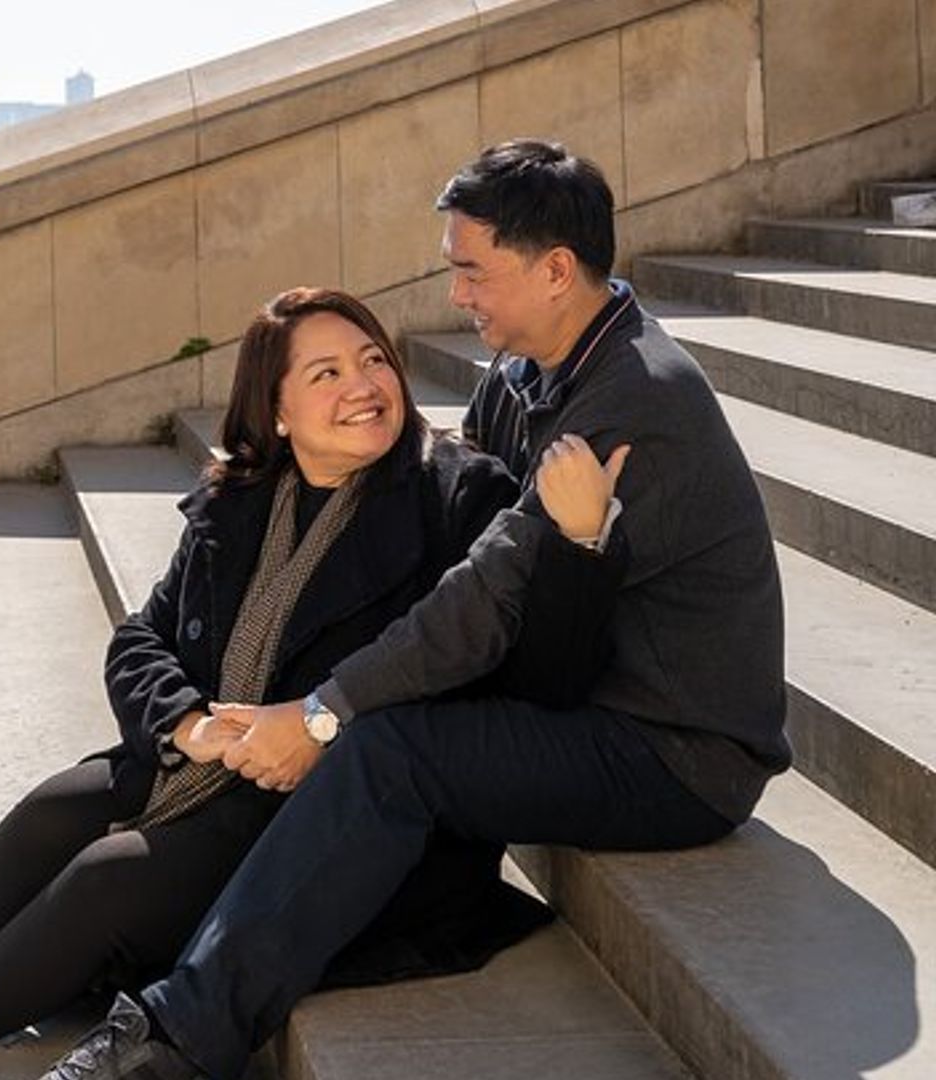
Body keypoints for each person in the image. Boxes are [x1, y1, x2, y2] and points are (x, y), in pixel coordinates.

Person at [42, 140, 789, 1080]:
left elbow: (486, 594)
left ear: (556, 270)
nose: (458, 295)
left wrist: (318, 714)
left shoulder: (637, 400)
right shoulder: (526, 376)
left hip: (673, 749)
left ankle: (177, 1040)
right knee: (375, 719)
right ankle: (165, 962)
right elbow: (460, 532)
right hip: (573, 682)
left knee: (383, 749)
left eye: (472, 270)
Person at [0, 287, 625, 1080]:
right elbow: (141, 640)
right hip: (213, 764)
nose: (363, 385)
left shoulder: (457, 500)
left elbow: (542, 678)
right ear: (277, 413)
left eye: (371, 361)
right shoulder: (243, 499)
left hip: (331, 810)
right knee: (55, 807)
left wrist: (579, 548)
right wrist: (186, 726)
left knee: (105, 876)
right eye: (325, 372)